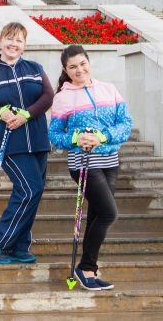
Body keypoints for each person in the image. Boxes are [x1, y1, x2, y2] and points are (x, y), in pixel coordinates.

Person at [0, 22, 54, 263]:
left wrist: (27, 113)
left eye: (18, 40)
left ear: (24, 45)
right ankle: (0, 239)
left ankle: (19, 245)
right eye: (9, 38)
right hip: (10, 142)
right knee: (30, 188)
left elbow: (48, 96)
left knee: (32, 193)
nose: (13, 44)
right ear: (0, 41)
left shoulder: (35, 68)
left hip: (37, 139)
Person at [49, 45, 131, 290]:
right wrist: (76, 138)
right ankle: (86, 267)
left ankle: (89, 271)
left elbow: (125, 124)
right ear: (66, 69)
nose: (79, 70)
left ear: (89, 62)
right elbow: (54, 135)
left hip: (110, 161)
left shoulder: (109, 89)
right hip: (83, 163)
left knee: (97, 215)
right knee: (109, 213)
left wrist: (103, 137)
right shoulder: (63, 97)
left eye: (82, 64)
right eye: (72, 67)